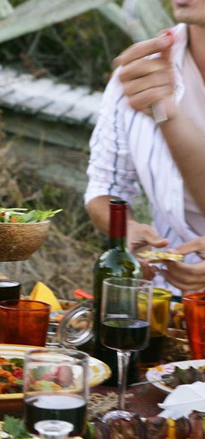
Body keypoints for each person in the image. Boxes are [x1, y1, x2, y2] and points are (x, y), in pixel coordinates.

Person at [84, 0, 205, 293]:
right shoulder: (143, 71)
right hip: (170, 304)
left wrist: (167, 116)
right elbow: (105, 188)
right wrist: (127, 231)